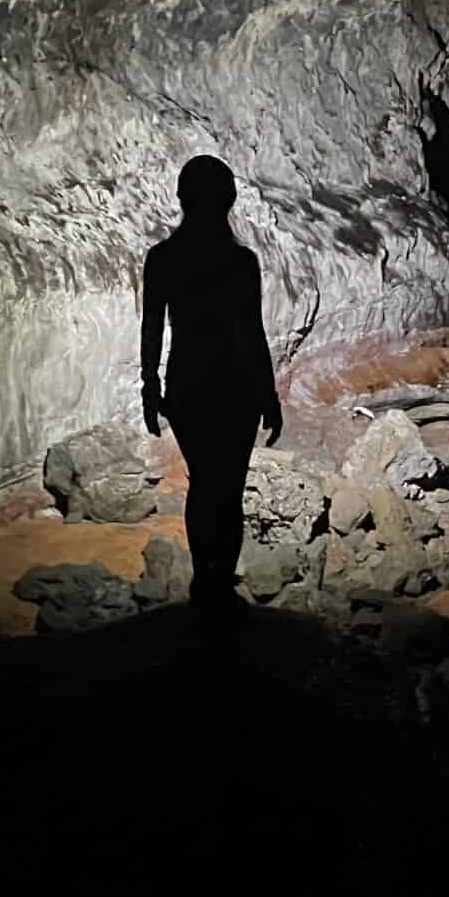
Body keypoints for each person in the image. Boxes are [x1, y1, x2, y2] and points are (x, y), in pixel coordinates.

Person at [141, 154, 282, 617]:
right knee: (229, 489)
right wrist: (268, 395)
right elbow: (253, 333)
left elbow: (153, 329)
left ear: (182, 198)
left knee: (204, 485)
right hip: (235, 385)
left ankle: (206, 585)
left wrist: (151, 387)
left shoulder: (162, 259)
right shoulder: (241, 262)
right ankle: (218, 586)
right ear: (230, 200)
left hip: (187, 384)